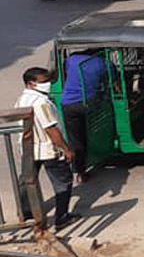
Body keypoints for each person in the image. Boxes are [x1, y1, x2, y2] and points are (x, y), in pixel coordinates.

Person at [16, 67, 80, 231]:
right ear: (31, 84)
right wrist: (66, 149)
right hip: (48, 149)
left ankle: (28, 215)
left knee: (27, 181)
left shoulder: (22, 99)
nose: (48, 84)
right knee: (62, 182)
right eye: (43, 82)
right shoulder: (41, 102)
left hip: (29, 149)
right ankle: (62, 218)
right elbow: (51, 129)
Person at [60, 48, 109, 183]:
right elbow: (112, 81)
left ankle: (79, 171)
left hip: (68, 104)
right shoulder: (104, 62)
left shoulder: (71, 60)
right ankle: (99, 152)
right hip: (89, 104)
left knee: (76, 139)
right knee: (96, 128)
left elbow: (66, 72)